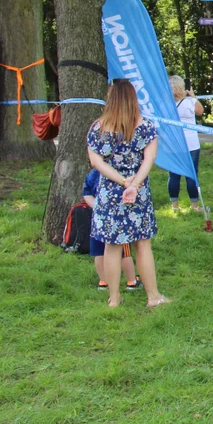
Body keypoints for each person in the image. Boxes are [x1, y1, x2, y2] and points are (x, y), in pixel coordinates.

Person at [85, 79, 169, 309]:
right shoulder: (146, 127)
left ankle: (114, 299)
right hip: (138, 192)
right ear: (133, 98)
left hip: (109, 193)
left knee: (111, 246)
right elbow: (149, 158)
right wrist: (134, 183)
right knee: (143, 244)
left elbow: (96, 162)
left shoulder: (98, 128)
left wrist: (122, 181)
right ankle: (153, 297)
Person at [82, 168, 139, 291]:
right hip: (117, 218)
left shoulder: (94, 173)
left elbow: (86, 193)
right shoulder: (122, 172)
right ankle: (132, 281)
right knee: (124, 251)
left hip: (98, 219)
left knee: (99, 251)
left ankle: (104, 282)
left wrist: (97, 207)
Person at [167, 75, 204, 212]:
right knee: (191, 174)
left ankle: (175, 206)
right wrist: (193, 96)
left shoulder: (166, 104)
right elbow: (201, 111)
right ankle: (194, 206)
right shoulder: (189, 102)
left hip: (174, 144)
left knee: (174, 175)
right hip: (191, 144)